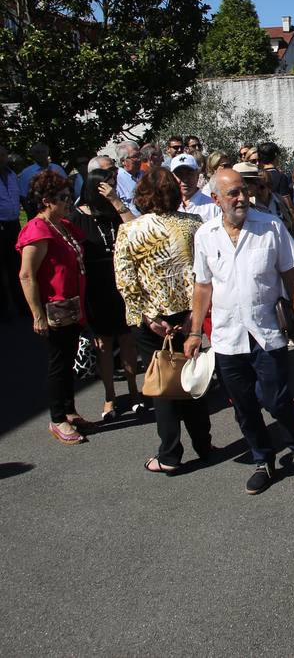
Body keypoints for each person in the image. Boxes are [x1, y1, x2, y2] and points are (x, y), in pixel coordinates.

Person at [186, 168, 294, 494]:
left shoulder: (269, 226)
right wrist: (194, 332)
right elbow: (202, 286)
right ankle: (263, 458)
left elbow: (292, 271)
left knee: (276, 398)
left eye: (243, 191)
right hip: (227, 337)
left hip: (266, 331)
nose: (242, 198)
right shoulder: (205, 235)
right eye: (233, 193)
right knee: (243, 405)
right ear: (216, 199)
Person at [113, 169, 211, 471]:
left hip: (149, 319)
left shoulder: (130, 230)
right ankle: (204, 444)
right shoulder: (195, 225)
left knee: (163, 385)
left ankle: (169, 455)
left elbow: (125, 279)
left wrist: (150, 316)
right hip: (187, 315)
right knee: (190, 378)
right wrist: (194, 315)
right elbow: (205, 272)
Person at [17, 170, 91, 444]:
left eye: (69, 196)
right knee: (58, 364)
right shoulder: (38, 229)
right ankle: (57, 418)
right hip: (55, 307)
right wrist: (37, 314)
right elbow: (27, 275)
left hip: (73, 304)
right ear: (46, 200)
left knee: (69, 359)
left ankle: (69, 411)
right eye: (62, 197)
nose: (68, 201)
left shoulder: (63, 225)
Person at [69, 164, 144, 420]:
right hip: (96, 286)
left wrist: (115, 202)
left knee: (127, 340)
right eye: (109, 184)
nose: (114, 188)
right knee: (104, 344)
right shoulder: (78, 216)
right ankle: (110, 396)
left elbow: (136, 230)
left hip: (121, 284)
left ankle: (135, 391)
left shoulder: (115, 212)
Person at [0, 145, 24, 319]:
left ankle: (22, 304)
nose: (2, 158)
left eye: (3, 155)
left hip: (13, 224)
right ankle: (3, 309)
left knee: (16, 265)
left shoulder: (12, 176)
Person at [17, 144, 66, 215]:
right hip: (36, 209)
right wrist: (29, 212)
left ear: (47, 153)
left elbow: (67, 187)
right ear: (33, 154)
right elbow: (22, 195)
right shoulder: (26, 172)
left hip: (58, 205)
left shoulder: (58, 168)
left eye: (43, 152)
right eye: (37, 152)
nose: (40, 155)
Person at [170, 154, 220, 223]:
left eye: (189, 174)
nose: (185, 179)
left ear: (197, 174)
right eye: (180, 174)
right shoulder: (168, 206)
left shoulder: (213, 207)